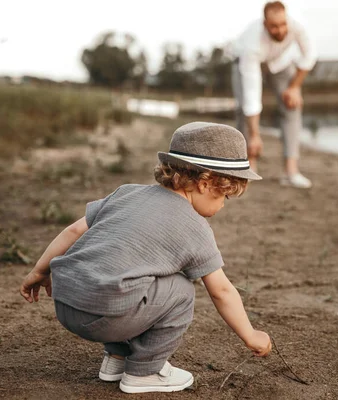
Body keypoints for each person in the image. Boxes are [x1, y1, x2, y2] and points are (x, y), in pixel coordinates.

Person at [19, 122, 272, 394]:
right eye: (224, 196)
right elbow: (221, 290)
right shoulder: (195, 227)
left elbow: (73, 231)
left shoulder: (127, 192)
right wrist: (250, 335)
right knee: (180, 288)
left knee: (131, 275)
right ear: (204, 183)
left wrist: (39, 272)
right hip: (105, 313)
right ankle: (144, 372)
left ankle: (116, 359)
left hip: (65, 302)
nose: (222, 205)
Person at [232, 1, 317, 188]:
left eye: (282, 24)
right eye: (274, 26)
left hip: (280, 62)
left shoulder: (297, 26)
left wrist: (294, 87)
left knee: (292, 105)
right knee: (244, 109)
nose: (280, 30)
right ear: (265, 24)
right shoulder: (252, 45)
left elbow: (309, 56)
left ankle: (291, 172)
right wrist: (255, 134)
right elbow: (252, 96)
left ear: (287, 19)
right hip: (245, 63)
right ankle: (248, 167)